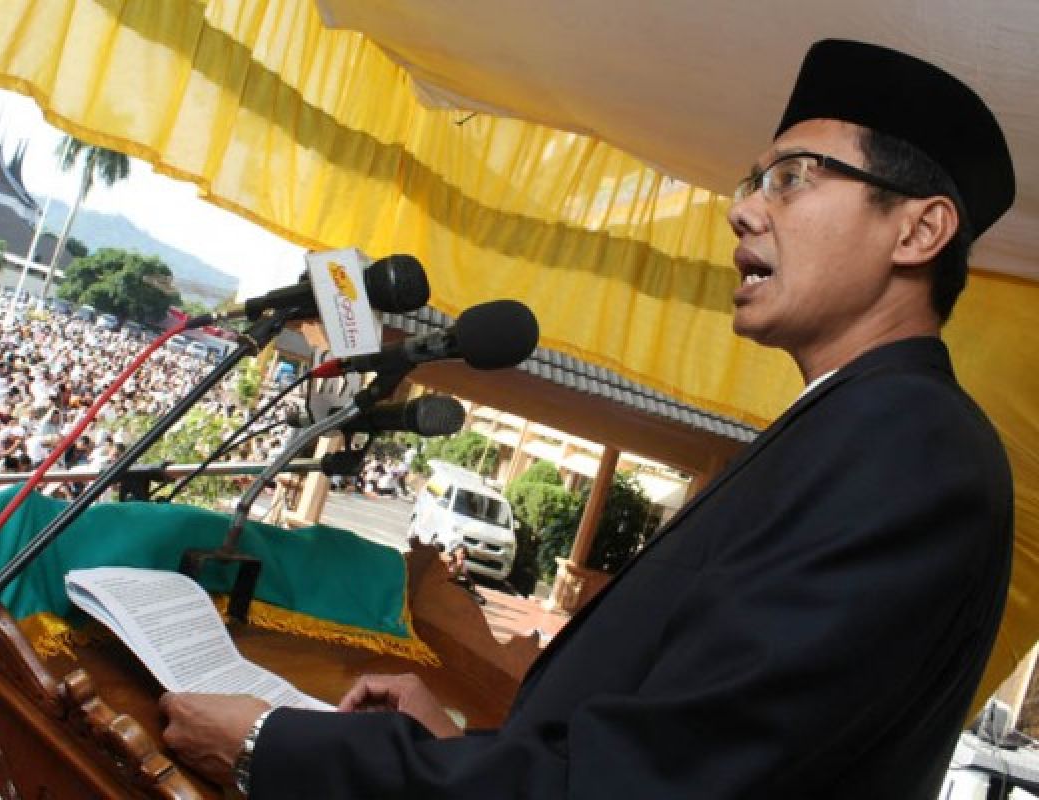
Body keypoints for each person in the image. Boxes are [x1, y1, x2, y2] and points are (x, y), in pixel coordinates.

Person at [160, 40, 1016, 798]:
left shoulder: (910, 451)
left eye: (792, 178)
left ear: (918, 230)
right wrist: (461, 747)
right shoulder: (849, 426)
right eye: (755, 181)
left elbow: (657, 783)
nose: (743, 208)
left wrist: (275, 750)